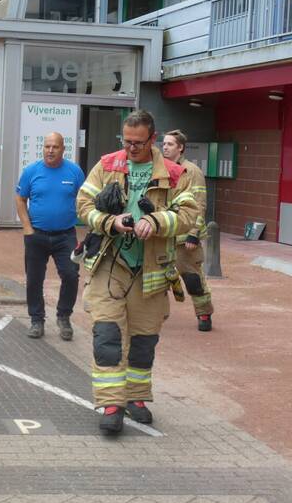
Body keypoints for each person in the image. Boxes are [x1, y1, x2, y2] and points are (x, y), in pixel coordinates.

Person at [76, 110, 198, 432]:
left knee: (144, 340)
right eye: (126, 141)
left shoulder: (175, 173)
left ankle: (136, 397)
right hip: (109, 264)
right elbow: (83, 205)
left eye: (138, 143)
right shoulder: (107, 165)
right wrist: (110, 221)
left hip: (151, 270)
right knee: (107, 337)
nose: (131, 148)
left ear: (152, 139)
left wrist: (155, 221)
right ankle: (111, 404)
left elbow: (189, 214)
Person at [15, 132, 85, 341]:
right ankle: (37, 320)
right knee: (34, 279)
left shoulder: (74, 172)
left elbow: (84, 199)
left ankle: (64, 316)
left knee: (71, 275)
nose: (50, 150)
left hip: (66, 235)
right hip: (36, 235)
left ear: (63, 149)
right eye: (47, 146)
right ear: (43, 148)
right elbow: (20, 199)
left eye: (55, 147)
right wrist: (27, 228)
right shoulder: (31, 171)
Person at [161, 129, 214, 332]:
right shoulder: (160, 169)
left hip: (185, 237)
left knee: (192, 278)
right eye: (164, 144)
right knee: (157, 277)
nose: (165, 147)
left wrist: (193, 233)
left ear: (180, 147)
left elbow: (199, 204)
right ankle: (155, 314)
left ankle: (204, 313)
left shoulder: (192, 171)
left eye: (170, 144)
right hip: (163, 234)